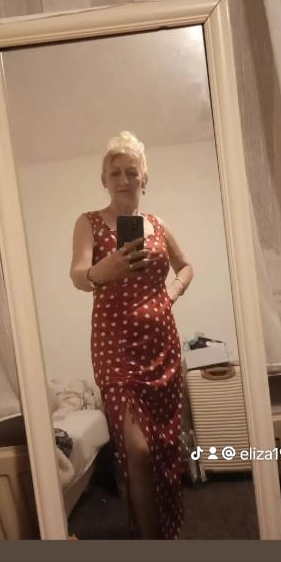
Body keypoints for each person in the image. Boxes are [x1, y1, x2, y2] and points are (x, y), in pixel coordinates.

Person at [70, 131, 193, 539]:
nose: (124, 179)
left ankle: (161, 525)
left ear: (144, 178)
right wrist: (100, 272)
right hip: (115, 348)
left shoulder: (157, 225)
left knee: (163, 447)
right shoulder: (88, 223)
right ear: (104, 180)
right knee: (137, 452)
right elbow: (77, 274)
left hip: (161, 345)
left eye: (131, 171)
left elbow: (186, 266)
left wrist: (171, 293)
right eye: (115, 172)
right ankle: (150, 539)